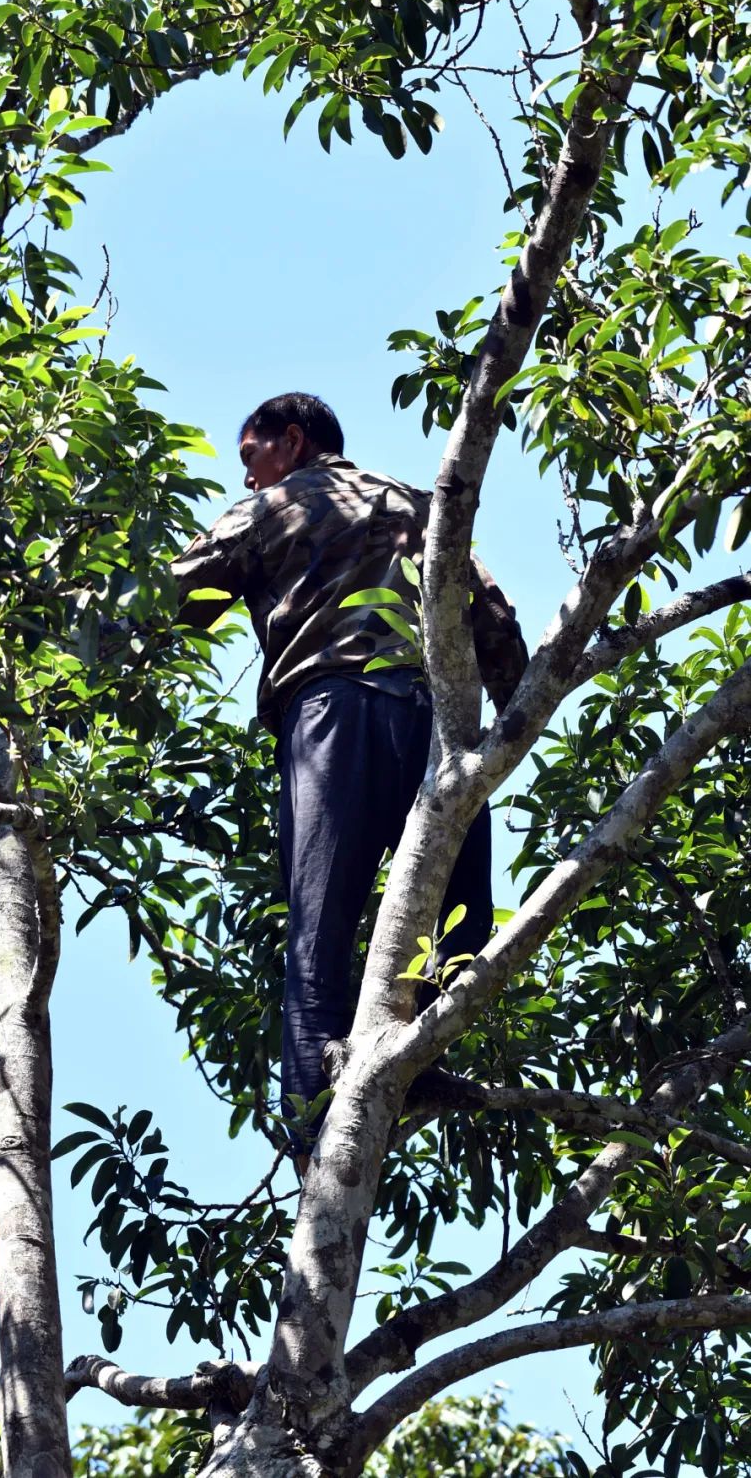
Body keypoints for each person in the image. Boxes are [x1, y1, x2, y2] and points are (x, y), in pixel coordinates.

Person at [171, 393, 528, 1164]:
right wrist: (508, 729)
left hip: (334, 714)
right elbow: (495, 621)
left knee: (320, 927)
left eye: (250, 459)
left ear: (291, 442)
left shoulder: (276, 506)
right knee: (458, 917)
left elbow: (173, 598)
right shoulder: (420, 505)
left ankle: (312, 1138)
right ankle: (420, 1063)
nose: (248, 478)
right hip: (440, 728)